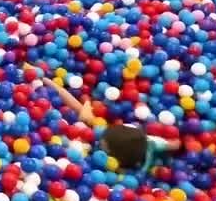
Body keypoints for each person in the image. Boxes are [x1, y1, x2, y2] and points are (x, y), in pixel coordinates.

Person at [35, 68, 181, 171]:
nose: (99, 142)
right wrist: (50, 83)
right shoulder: (149, 140)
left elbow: (175, 145)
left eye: (103, 146)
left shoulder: (145, 150)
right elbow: (77, 107)